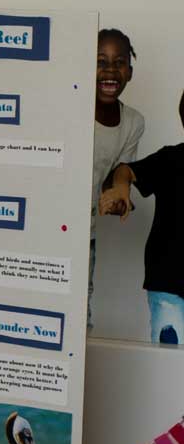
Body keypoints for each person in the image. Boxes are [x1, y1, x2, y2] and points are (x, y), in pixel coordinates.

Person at [101, 90, 184, 344]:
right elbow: (125, 170)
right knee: (169, 361)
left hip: (165, 282)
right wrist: (121, 190)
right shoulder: (172, 159)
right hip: (168, 285)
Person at [89, 28, 144, 330]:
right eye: (100, 61)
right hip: (44, 225)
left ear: (130, 72)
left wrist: (118, 198)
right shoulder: (69, 109)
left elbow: (118, 175)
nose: (110, 70)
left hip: (86, 233)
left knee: (78, 308)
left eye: (119, 62)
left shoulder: (133, 123)